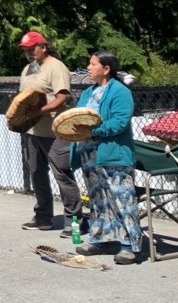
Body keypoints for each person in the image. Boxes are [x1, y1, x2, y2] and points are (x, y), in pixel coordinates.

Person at [71, 50, 142, 265]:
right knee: (98, 199)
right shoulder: (89, 92)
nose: (89, 68)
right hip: (89, 154)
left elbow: (120, 122)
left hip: (113, 153)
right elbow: (77, 114)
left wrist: (94, 131)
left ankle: (130, 245)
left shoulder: (120, 92)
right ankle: (101, 238)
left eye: (93, 64)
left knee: (122, 199)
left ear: (106, 68)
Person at [17, 31, 86, 236]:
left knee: (62, 175)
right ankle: (43, 218)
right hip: (32, 130)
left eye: (32, 48)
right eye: (25, 50)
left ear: (43, 47)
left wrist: (39, 111)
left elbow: (61, 98)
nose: (29, 53)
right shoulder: (28, 69)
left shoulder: (56, 67)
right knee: (37, 173)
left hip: (56, 132)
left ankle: (74, 222)